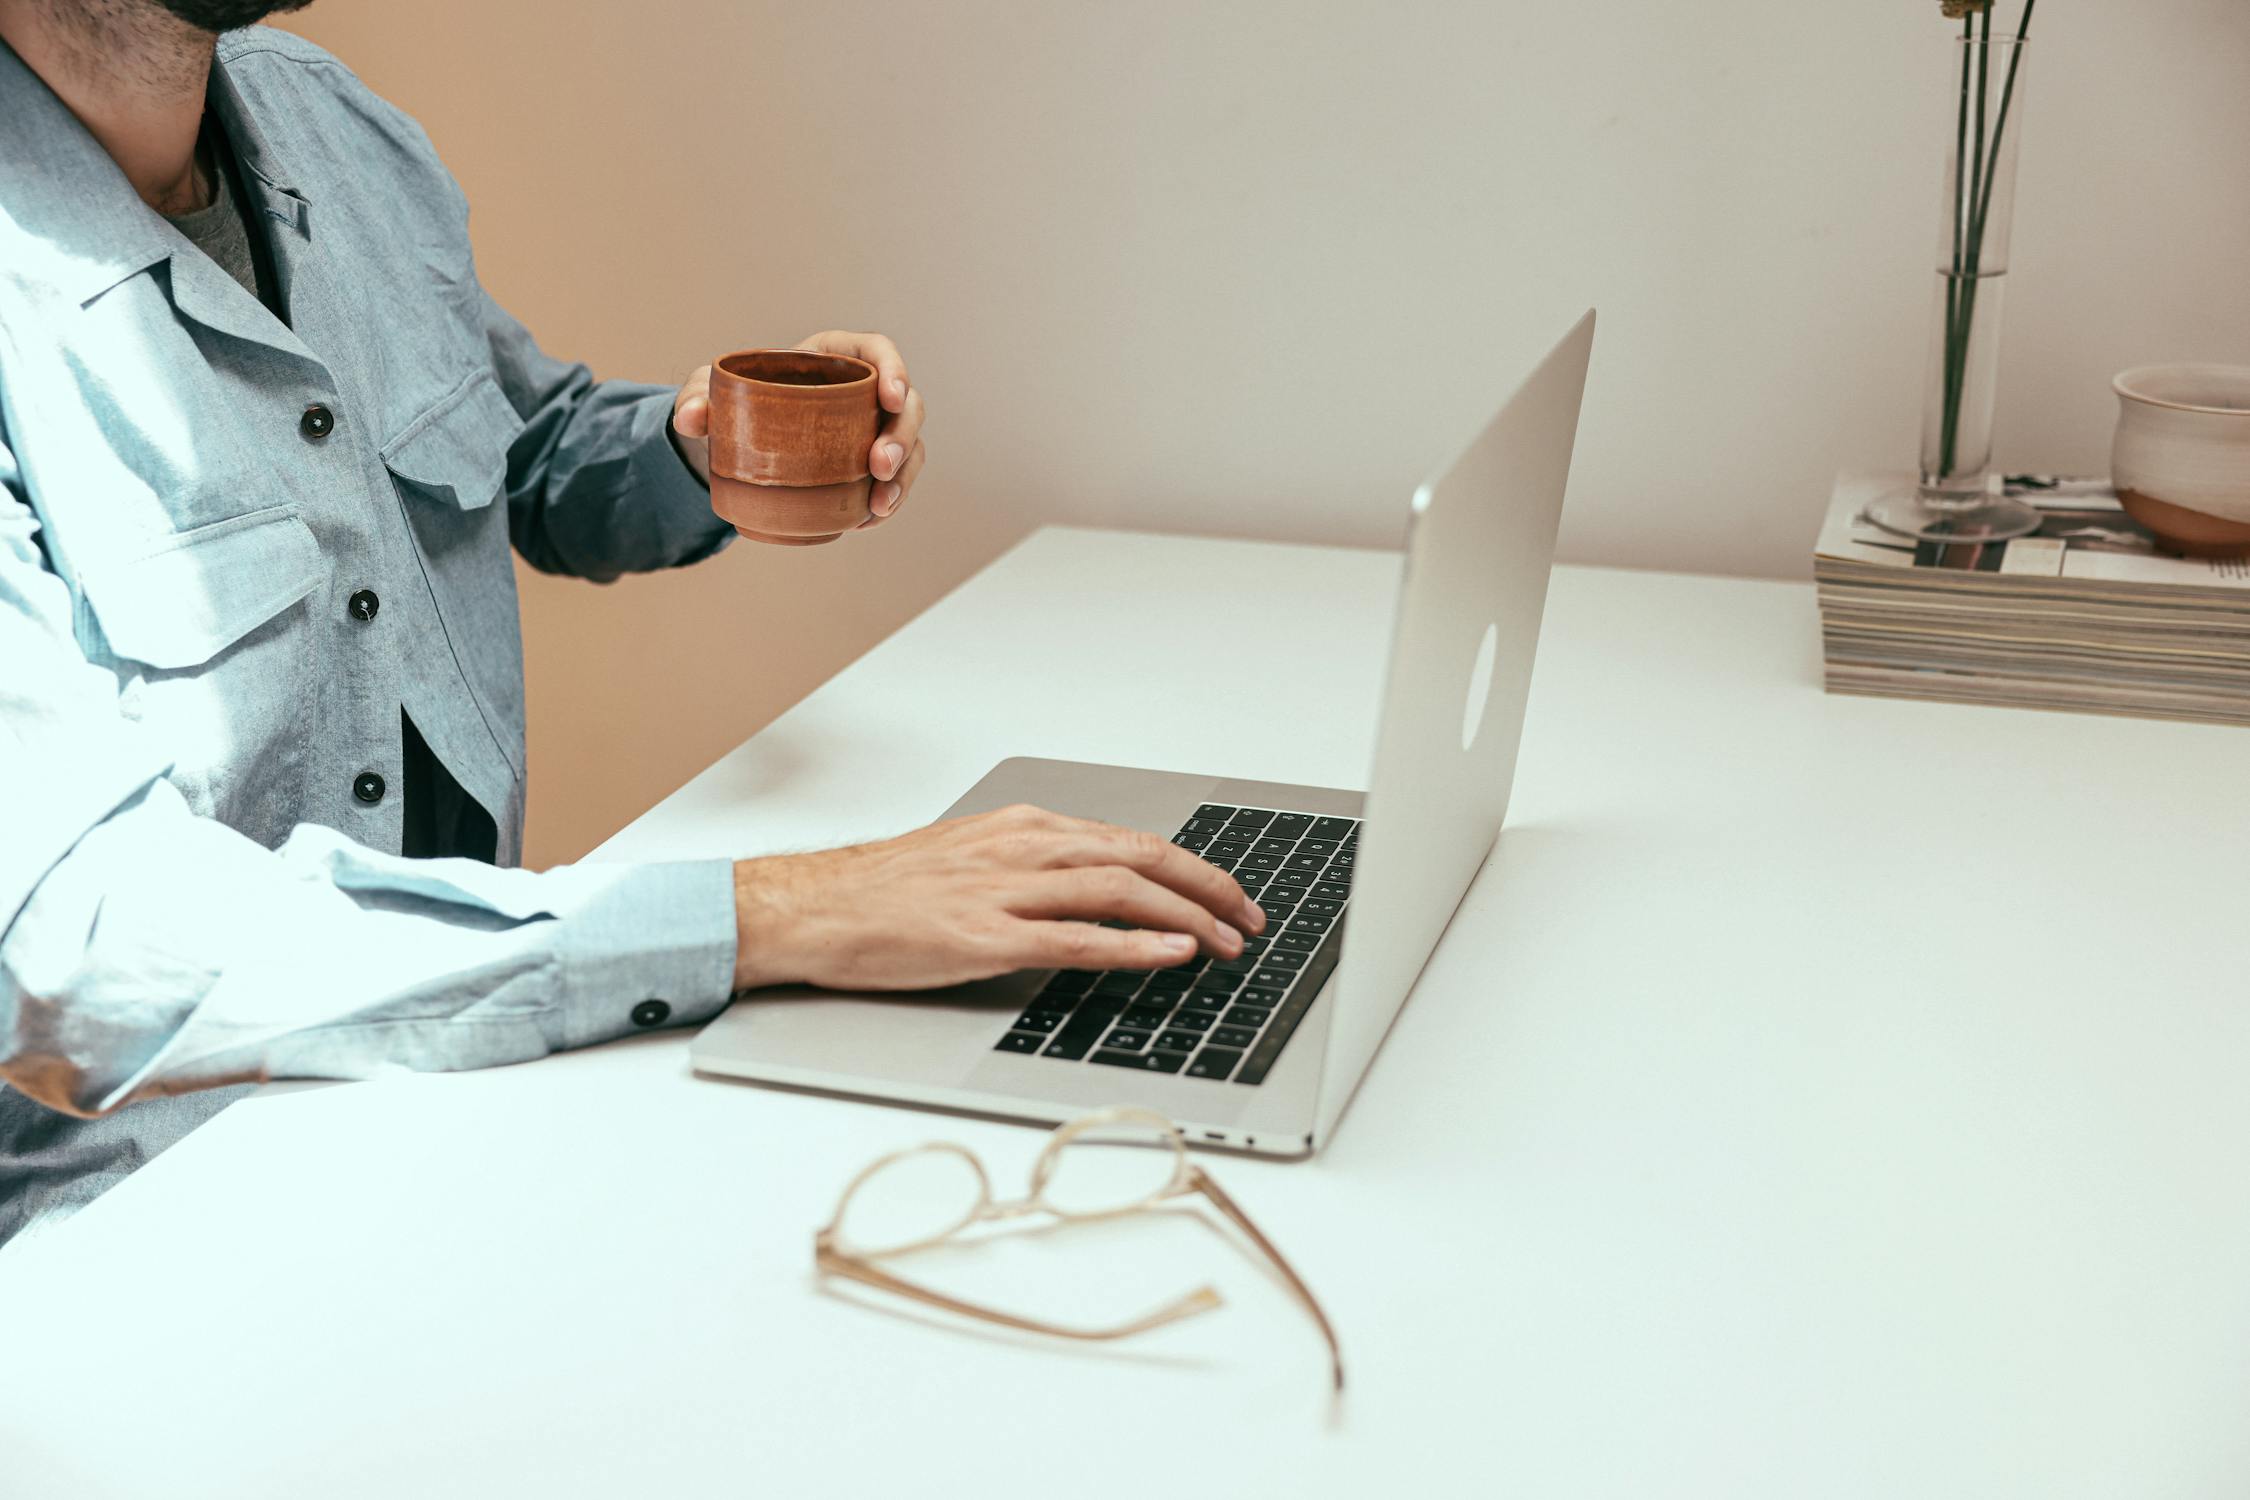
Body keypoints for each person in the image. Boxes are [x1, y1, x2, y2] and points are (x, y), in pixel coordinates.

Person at [0, 0, 1259, 1247]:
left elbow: (519, 449)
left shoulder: (330, 122)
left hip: (481, 1074)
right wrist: (774, 914)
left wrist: (697, 454)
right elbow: (83, 956)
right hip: (163, 1218)